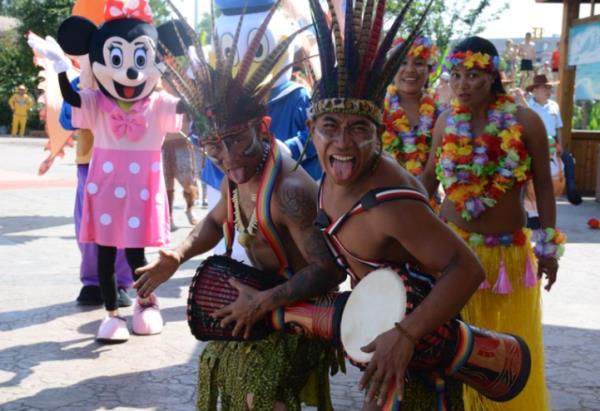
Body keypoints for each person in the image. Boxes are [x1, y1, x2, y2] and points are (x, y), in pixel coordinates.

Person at [135, 6, 343, 410]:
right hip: (265, 301)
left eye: (235, 141)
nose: (227, 158)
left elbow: (328, 270)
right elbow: (214, 222)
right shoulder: (240, 167)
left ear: (262, 128)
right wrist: (175, 255)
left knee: (257, 394)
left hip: (301, 311)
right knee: (230, 381)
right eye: (213, 147)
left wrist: (262, 304)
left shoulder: (290, 191)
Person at [305, 3, 485, 410]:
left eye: (359, 130)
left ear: (379, 134)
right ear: (311, 130)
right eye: (330, 127)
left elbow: (468, 268)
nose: (344, 143)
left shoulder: (391, 202)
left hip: (421, 351)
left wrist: (405, 336)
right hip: (384, 338)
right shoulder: (323, 182)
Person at [421, 36, 565, 411]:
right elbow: (426, 184)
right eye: (455, 75)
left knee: (503, 354)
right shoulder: (445, 121)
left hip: (507, 258)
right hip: (452, 253)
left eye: (473, 75)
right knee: (449, 349)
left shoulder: (525, 121)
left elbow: (545, 190)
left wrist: (548, 249)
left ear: (493, 75)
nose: (462, 84)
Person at [382, 36, 439, 177]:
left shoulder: (440, 114)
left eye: (419, 63)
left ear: (429, 69)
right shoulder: (376, 109)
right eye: (403, 63)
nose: (410, 69)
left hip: (427, 195)